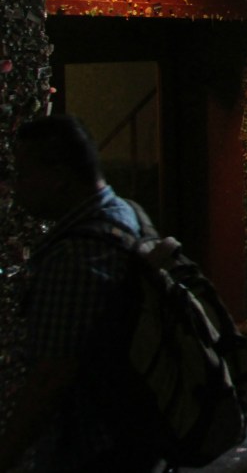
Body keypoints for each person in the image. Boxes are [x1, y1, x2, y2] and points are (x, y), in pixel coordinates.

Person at [0, 115, 169, 470]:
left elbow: (50, 378)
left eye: (24, 173)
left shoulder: (75, 256)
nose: (17, 186)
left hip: (94, 449)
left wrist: (8, 453)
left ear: (59, 176)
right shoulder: (126, 213)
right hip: (137, 435)